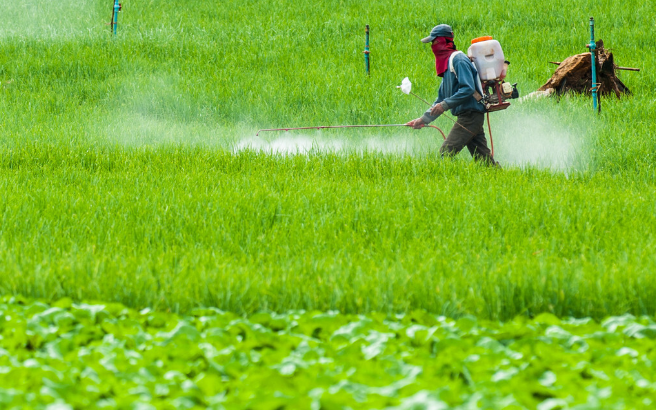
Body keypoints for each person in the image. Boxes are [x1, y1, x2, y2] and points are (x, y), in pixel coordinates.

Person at [406, 24, 498, 166]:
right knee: (483, 161)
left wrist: (445, 105)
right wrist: (423, 119)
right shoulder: (448, 66)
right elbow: (440, 99)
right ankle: (499, 178)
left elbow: (467, 88)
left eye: (434, 42)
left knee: (446, 153)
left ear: (444, 41)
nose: (432, 46)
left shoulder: (458, 60)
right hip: (468, 116)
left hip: (471, 115)